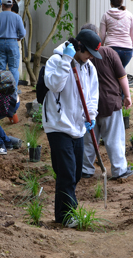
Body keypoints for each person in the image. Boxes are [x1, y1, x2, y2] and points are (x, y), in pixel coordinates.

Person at [42, 29, 100, 227]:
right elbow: (55, 85)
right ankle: (66, 216)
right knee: (66, 172)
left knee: (75, 173)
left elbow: (92, 95)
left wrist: (91, 116)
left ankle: (63, 214)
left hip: (78, 126)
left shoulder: (89, 67)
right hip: (57, 125)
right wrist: (66, 59)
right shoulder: (56, 60)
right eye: (89, 52)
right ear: (78, 47)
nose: (91, 56)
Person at [80, 24, 133, 180]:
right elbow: (122, 76)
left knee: (89, 139)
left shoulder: (79, 57)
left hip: (88, 105)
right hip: (110, 102)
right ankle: (119, 170)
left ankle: (86, 169)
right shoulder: (109, 52)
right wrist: (128, 96)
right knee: (114, 138)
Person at [0, 0, 26, 84]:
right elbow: (23, 33)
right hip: (13, 43)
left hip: (1, 43)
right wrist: (18, 37)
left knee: (1, 69)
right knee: (13, 68)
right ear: (12, 5)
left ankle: (2, 92)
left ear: (2, 5)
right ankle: (13, 92)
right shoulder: (17, 17)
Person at [99, 0, 133, 68]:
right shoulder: (129, 15)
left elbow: (102, 35)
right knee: (121, 73)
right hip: (127, 50)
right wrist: (132, 50)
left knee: (111, 73)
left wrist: (100, 49)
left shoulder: (106, 15)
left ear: (111, 3)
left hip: (111, 49)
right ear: (121, 2)